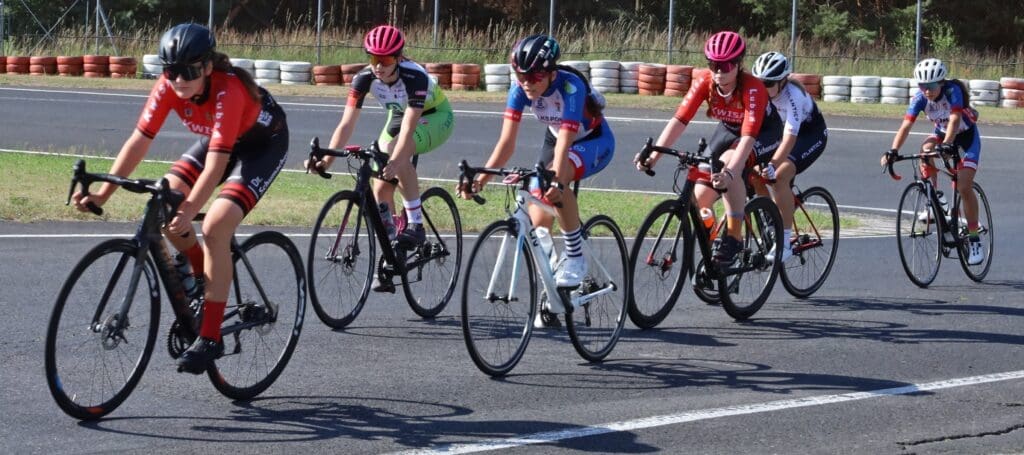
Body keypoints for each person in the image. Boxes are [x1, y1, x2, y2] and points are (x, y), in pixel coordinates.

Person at [72, 23, 289, 374]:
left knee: (216, 226)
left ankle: (211, 335)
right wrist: (103, 193)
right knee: (164, 202)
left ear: (206, 67)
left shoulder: (228, 91)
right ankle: (203, 275)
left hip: (260, 147)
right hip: (217, 141)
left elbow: (217, 166)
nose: (177, 79)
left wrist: (190, 210)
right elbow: (139, 141)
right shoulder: (169, 86)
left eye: (187, 70)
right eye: (169, 70)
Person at [458, 34, 615, 323]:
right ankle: (553, 295)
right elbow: (506, 143)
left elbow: (567, 141)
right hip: (554, 138)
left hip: (592, 141)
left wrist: (556, 179)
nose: (527, 82)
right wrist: (481, 179)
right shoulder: (520, 89)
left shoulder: (570, 86)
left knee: (559, 174)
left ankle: (576, 256)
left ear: (551, 72)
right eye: (521, 75)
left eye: (534, 76)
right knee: (540, 224)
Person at [305, 25, 455, 291]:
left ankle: (417, 225)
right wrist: (326, 162)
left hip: (433, 116)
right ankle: (392, 250)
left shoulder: (414, 77)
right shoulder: (363, 79)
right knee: (380, 185)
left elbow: (409, 129)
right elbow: (346, 124)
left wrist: (397, 161)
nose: (379, 66)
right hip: (398, 116)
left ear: (398, 57)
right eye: (374, 59)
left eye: (385, 60)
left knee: (399, 153)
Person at [634, 31, 781, 266]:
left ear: (738, 64)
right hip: (730, 128)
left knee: (728, 164)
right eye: (713, 65)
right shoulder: (705, 80)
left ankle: (734, 236)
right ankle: (714, 241)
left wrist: (730, 172)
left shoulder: (752, 88)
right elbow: (679, 121)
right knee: (700, 197)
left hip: (763, 132)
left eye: (725, 66)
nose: (719, 72)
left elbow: (747, 138)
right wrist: (654, 155)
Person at [882, 57, 984, 265]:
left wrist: (947, 144)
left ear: (941, 82)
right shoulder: (919, 98)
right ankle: (935, 199)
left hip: (965, 137)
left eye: (931, 85)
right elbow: (905, 126)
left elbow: (955, 120)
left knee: (964, 187)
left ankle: (974, 239)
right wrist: (893, 150)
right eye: (922, 86)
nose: (927, 90)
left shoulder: (952, 90)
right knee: (925, 150)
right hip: (942, 133)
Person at [749, 51, 828, 262]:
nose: (762, 87)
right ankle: (772, 220)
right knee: (755, 176)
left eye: (767, 83)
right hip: (780, 135)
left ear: (782, 81)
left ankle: (784, 244)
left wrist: (774, 164)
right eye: (758, 82)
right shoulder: (760, 94)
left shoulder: (793, 95)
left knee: (779, 176)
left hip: (809, 136)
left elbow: (790, 138)